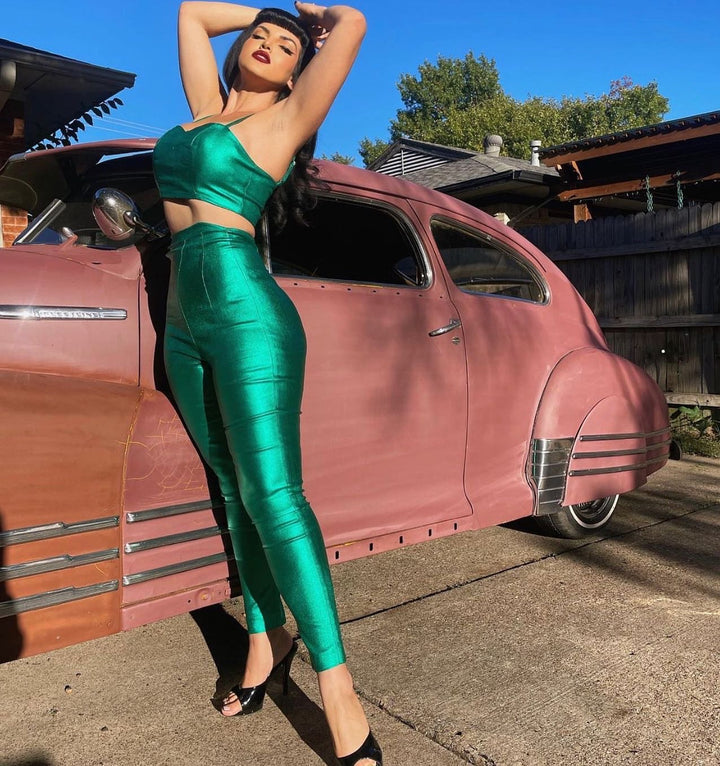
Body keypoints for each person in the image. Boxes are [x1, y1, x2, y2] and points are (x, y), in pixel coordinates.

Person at [152, 2, 381, 764]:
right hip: (181, 322)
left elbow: (353, 26)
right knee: (231, 488)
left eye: (286, 47)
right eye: (261, 37)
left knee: (274, 496)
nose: (269, 45)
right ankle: (265, 635)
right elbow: (192, 13)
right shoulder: (203, 112)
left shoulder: (284, 121)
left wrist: (310, 21)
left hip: (250, 318)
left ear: (293, 77)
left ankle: (339, 686)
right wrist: (268, 12)